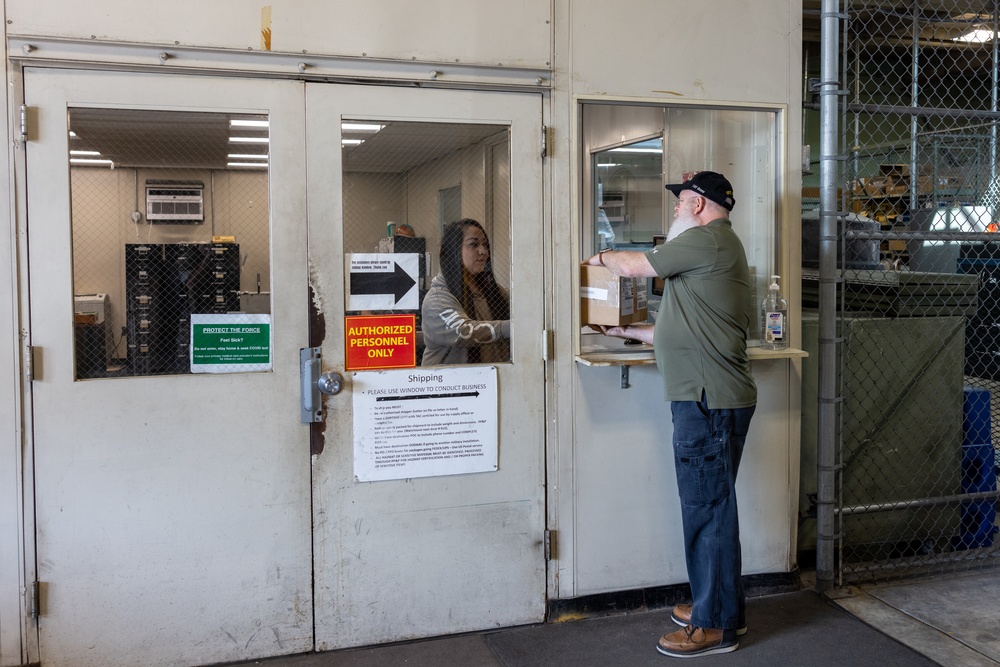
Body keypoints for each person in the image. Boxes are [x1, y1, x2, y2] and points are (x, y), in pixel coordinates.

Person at [583, 171, 757, 659]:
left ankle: (713, 625)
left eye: (680, 203)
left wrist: (596, 260)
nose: (676, 211)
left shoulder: (708, 241)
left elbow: (635, 265)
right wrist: (627, 334)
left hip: (708, 401)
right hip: (710, 397)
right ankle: (723, 610)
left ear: (699, 205)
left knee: (707, 513)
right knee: (714, 509)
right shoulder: (710, 249)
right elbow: (683, 327)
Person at [421, 218, 510, 365]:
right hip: (453, 385)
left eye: (485, 245)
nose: (483, 252)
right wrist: (512, 327)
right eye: (473, 245)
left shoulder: (492, 291)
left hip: (491, 382)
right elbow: (464, 332)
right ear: (453, 250)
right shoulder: (437, 299)